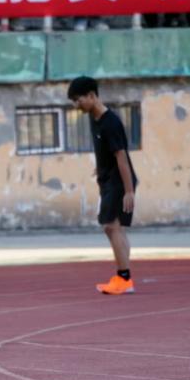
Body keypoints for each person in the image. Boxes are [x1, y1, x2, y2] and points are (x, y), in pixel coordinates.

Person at [68, 76, 137, 295]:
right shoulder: (94, 118)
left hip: (118, 181)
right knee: (116, 228)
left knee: (110, 226)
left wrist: (129, 191)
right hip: (107, 179)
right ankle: (125, 277)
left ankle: (124, 278)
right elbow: (104, 150)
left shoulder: (110, 123)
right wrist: (100, 167)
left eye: (78, 100)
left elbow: (122, 157)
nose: (76, 105)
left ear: (91, 95)